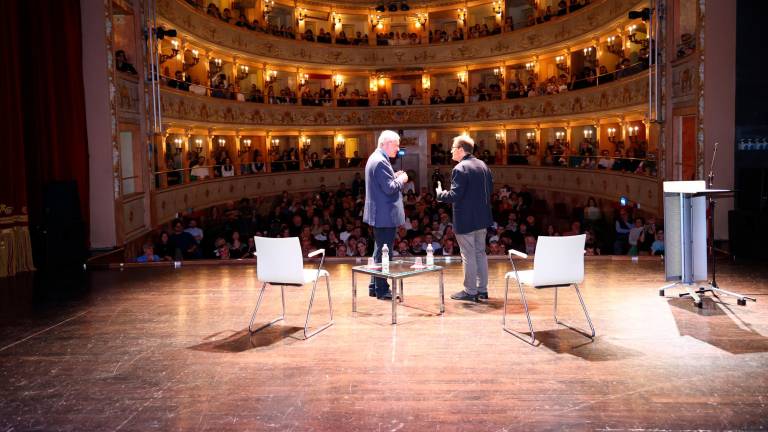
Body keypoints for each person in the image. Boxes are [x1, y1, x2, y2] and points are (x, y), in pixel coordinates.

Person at [435, 135, 494, 301]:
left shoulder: (460, 168)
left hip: (466, 220)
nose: (451, 151)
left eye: (453, 148)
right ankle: (482, 289)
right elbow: (489, 189)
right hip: (482, 218)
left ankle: (470, 291)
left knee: (468, 255)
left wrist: (440, 195)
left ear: (461, 150)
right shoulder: (483, 165)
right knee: (480, 253)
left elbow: (455, 195)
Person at [363, 130, 409, 300]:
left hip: (380, 214)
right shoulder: (381, 161)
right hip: (385, 215)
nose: (398, 149)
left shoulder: (375, 158)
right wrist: (402, 179)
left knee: (378, 250)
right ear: (386, 143)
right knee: (385, 253)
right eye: (396, 145)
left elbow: (384, 183)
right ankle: (382, 289)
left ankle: (374, 286)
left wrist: (393, 176)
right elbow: (390, 188)